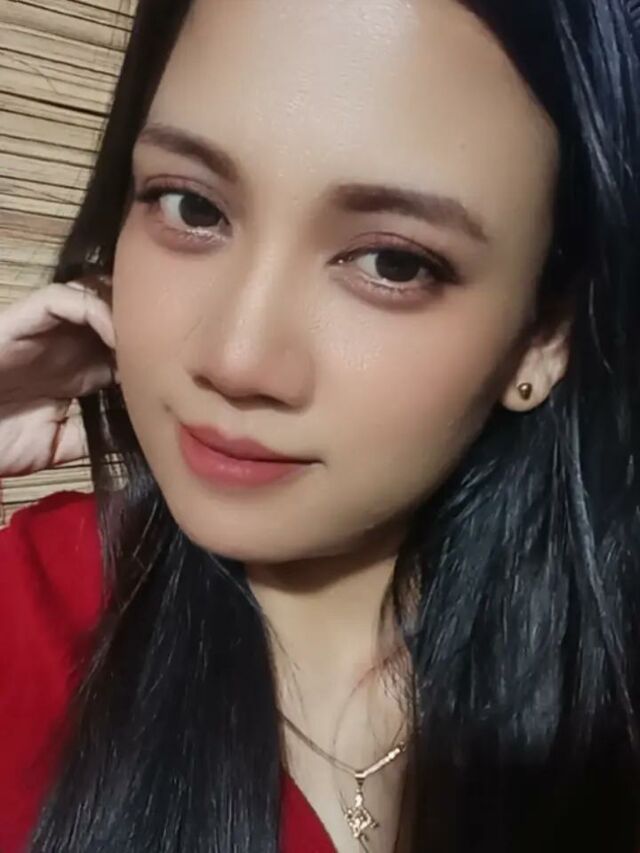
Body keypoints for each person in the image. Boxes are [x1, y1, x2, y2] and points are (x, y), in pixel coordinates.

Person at [1, 0, 639, 850]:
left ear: (544, 335)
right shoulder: (35, 610)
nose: (235, 358)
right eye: (191, 207)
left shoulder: (608, 702)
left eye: (392, 261)